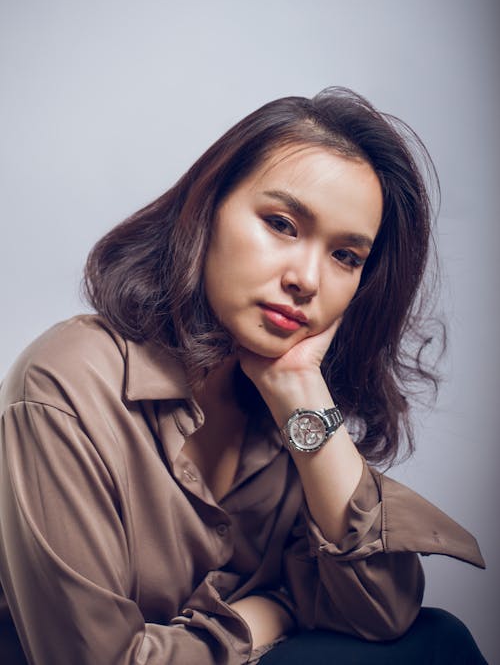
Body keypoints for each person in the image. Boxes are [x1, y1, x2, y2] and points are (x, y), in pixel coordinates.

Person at [0, 88, 487, 664]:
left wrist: (301, 393)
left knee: (437, 639)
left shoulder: (282, 403)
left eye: (346, 257)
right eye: (282, 224)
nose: (307, 278)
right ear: (205, 212)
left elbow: (382, 612)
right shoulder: (66, 385)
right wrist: (264, 617)